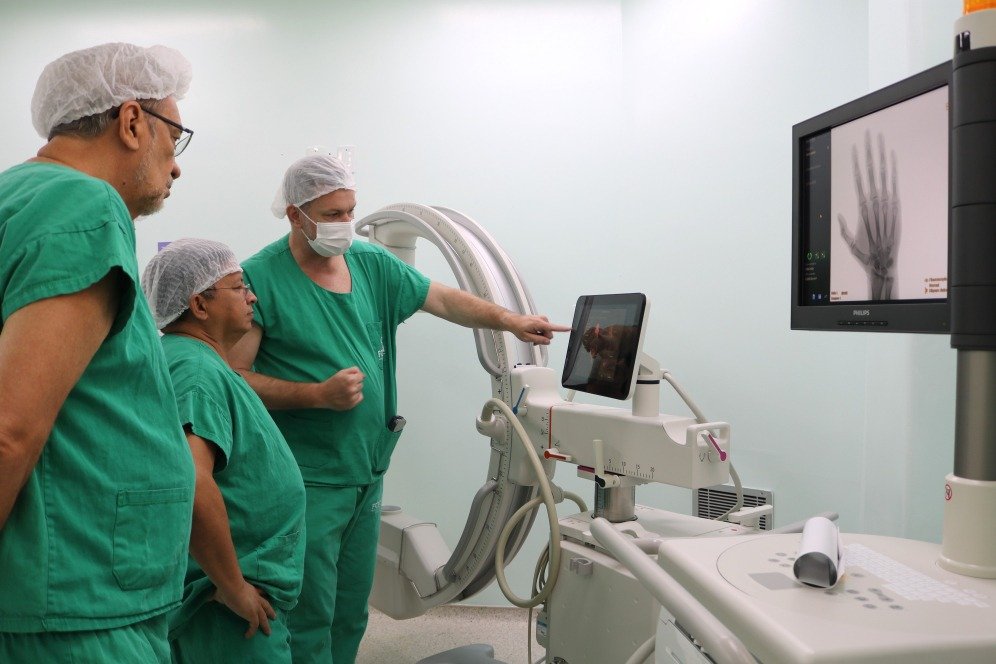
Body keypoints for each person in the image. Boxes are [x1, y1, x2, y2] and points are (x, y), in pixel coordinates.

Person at [230, 153, 570, 664]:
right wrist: (315, 395)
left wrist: (509, 320)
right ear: (296, 214)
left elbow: (443, 299)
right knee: (309, 612)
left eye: (350, 210)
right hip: (308, 477)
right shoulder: (260, 278)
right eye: (332, 214)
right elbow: (235, 378)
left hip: (367, 470)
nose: (346, 223)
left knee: (351, 608)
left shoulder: (369, 263)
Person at [0, 43, 196, 662]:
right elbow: (9, 429)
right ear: (132, 121)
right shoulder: (84, 204)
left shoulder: (18, 197)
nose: (177, 166)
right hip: (74, 605)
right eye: (175, 138)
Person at [141, 238, 307, 663]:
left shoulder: (201, 362)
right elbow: (192, 481)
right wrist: (233, 587)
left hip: (230, 593)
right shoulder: (196, 370)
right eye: (238, 287)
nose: (252, 297)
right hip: (224, 608)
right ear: (199, 305)